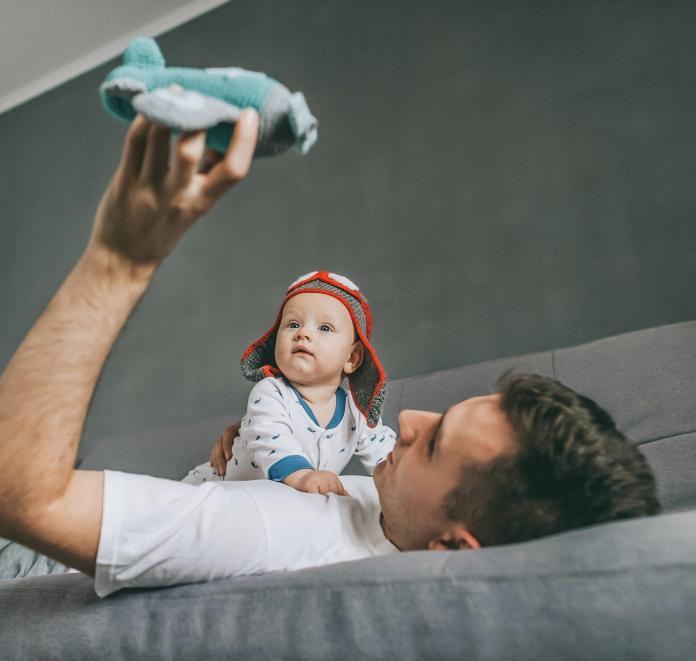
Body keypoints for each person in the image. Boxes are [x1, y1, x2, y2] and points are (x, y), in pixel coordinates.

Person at [0, 112, 660, 599]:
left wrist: (120, 261)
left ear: (453, 547)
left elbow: (21, 494)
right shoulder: (390, 513)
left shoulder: (278, 526)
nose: (411, 419)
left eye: (433, 445)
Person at [181, 270, 396, 496]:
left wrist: (402, 479)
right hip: (214, 488)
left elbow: (385, 454)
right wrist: (302, 475)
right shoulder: (271, 392)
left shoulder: (357, 411)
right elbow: (270, 438)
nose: (303, 333)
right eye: (293, 324)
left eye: (324, 328)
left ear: (351, 358)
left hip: (277, 504)